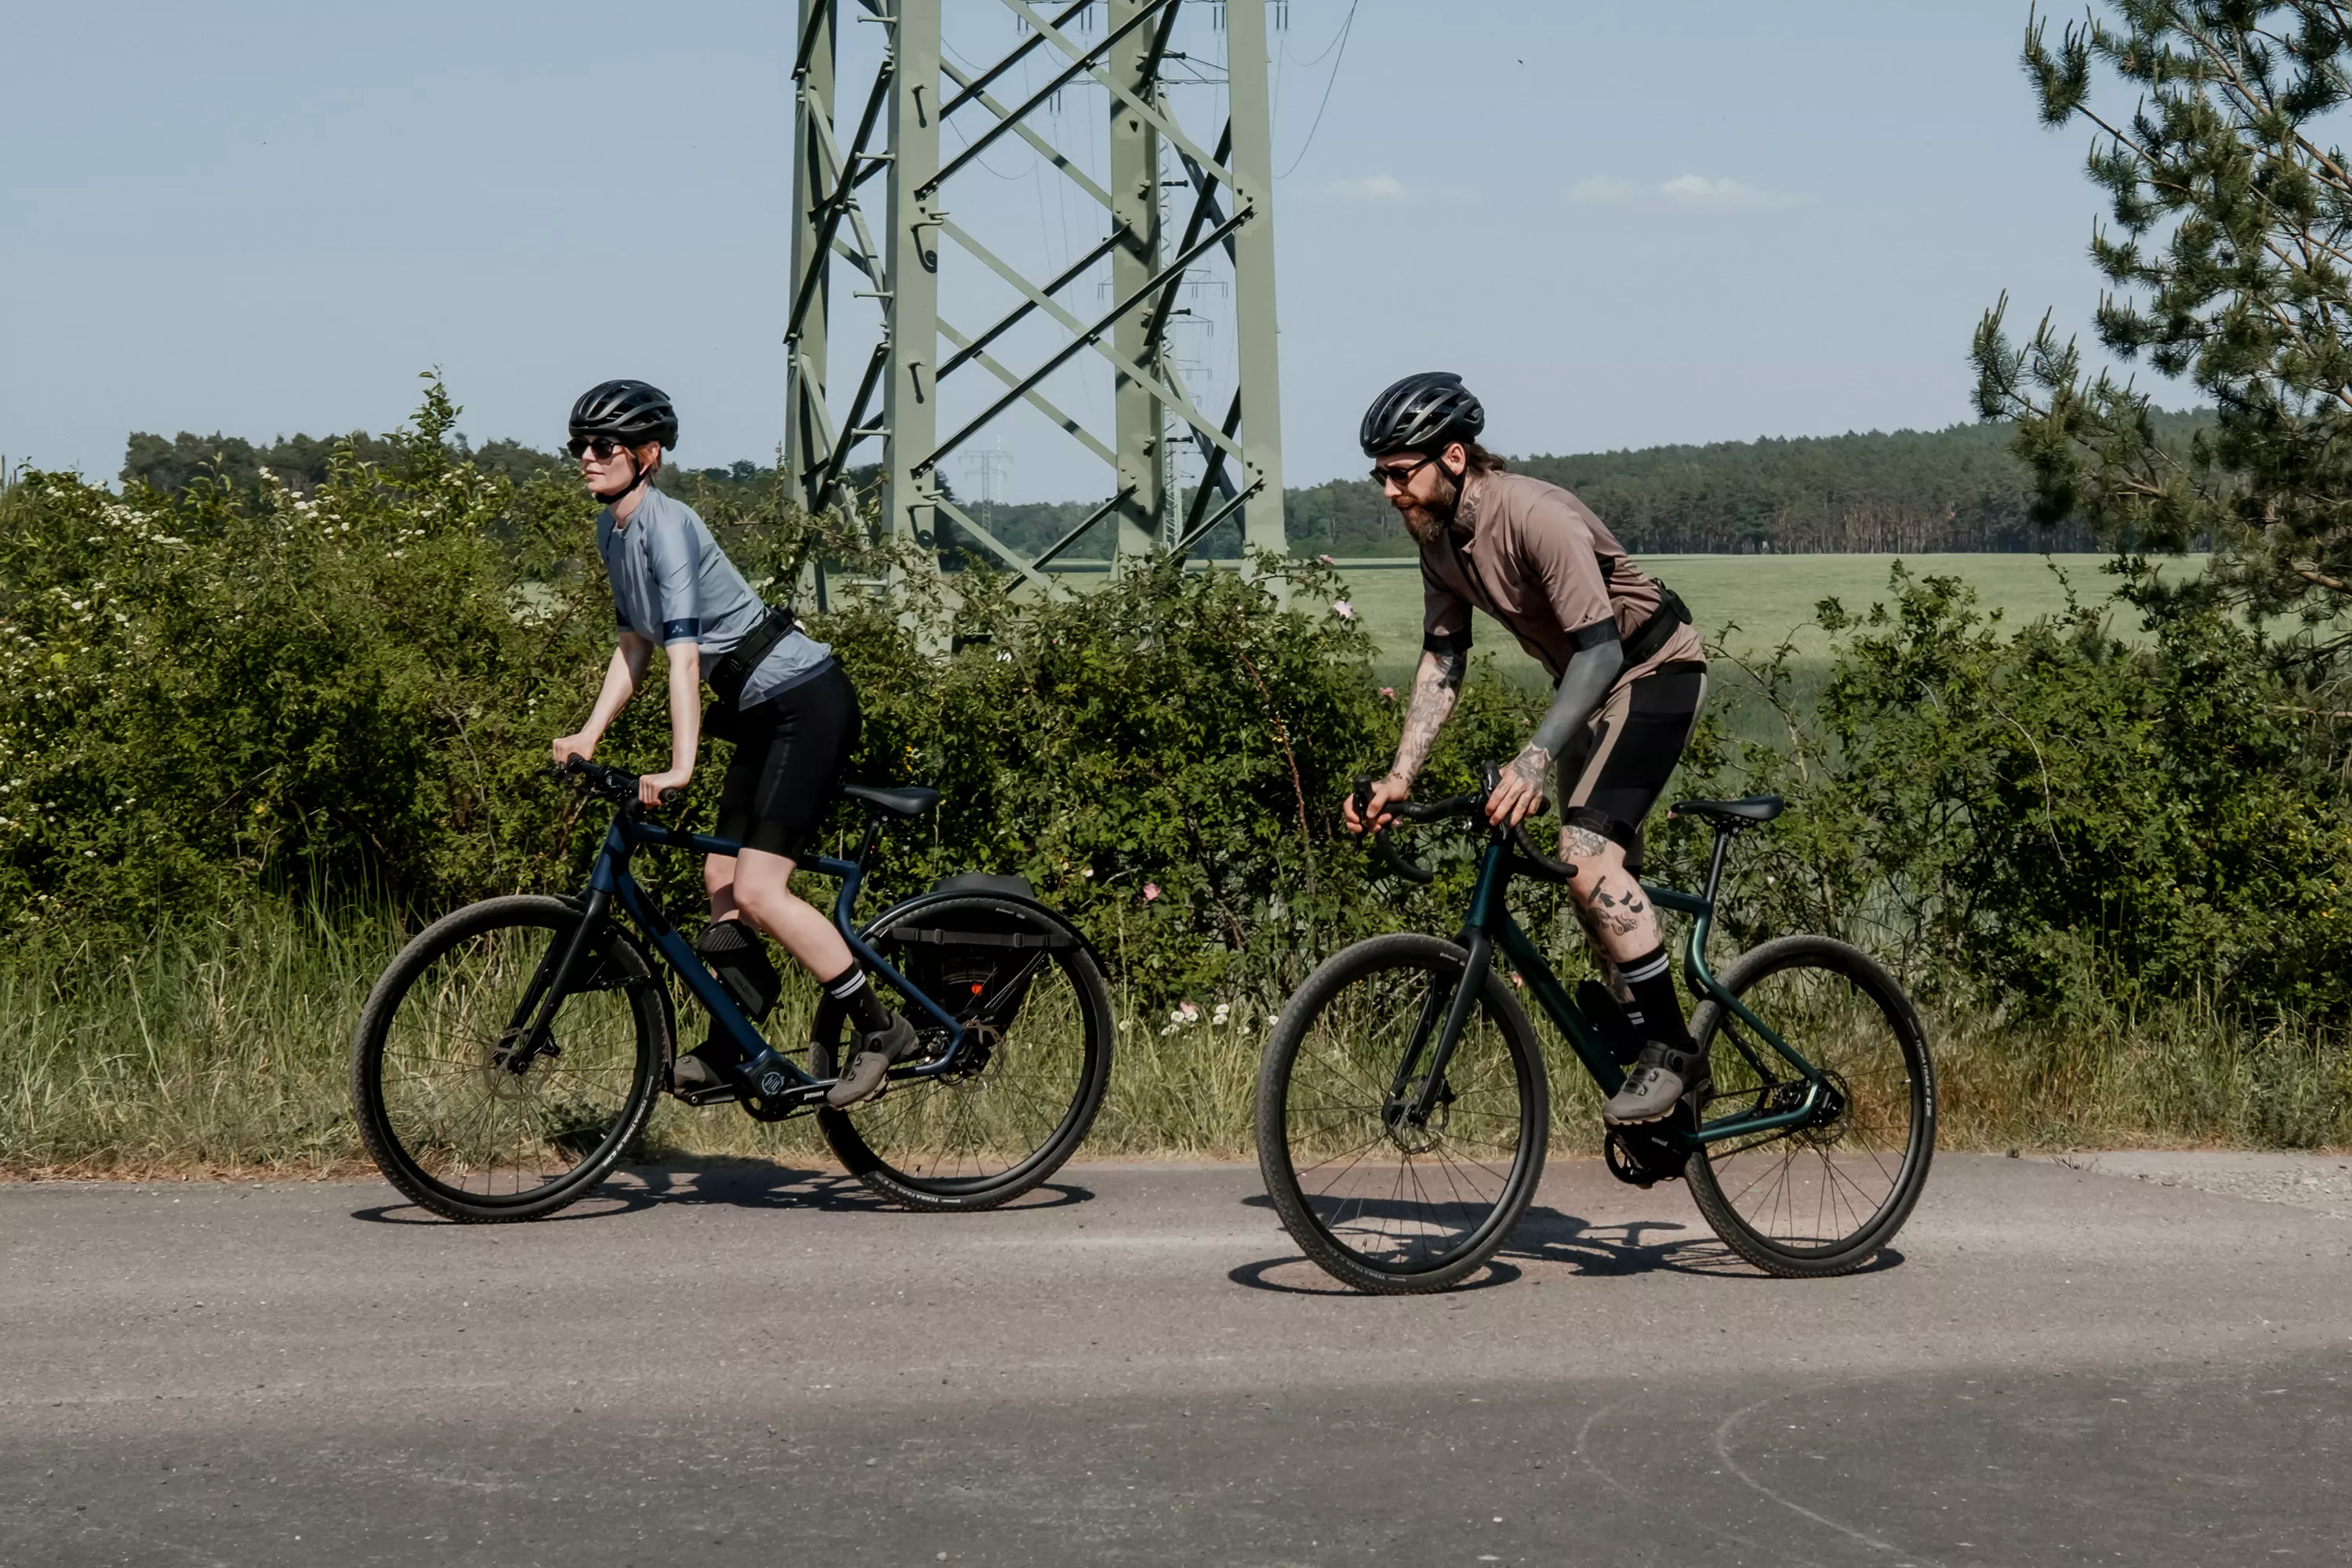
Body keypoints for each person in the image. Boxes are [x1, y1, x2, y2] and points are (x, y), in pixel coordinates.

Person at [1341, 372, 1710, 1127]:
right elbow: (1444, 658)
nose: (1388, 491)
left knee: (1585, 849)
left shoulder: (1535, 514)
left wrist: (1535, 757)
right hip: (1585, 684)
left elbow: (1603, 652)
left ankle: (1673, 1052)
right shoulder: (1438, 541)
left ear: (1451, 456)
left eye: (1399, 473)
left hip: (1650, 669)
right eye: (1379, 475)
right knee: (1585, 871)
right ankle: (1643, 1039)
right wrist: (1399, 776)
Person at [546, 379, 914, 1107]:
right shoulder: (611, 530)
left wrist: (683, 765)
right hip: (756, 711)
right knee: (720, 883)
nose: (587, 457)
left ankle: (881, 1029)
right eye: (578, 445)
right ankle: (733, 1043)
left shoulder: (670, 524)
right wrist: (588, 733)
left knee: (757, 887)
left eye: (603, 445)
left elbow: (685, 655)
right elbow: (635, 647)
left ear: (647, 455)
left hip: (805, 702)